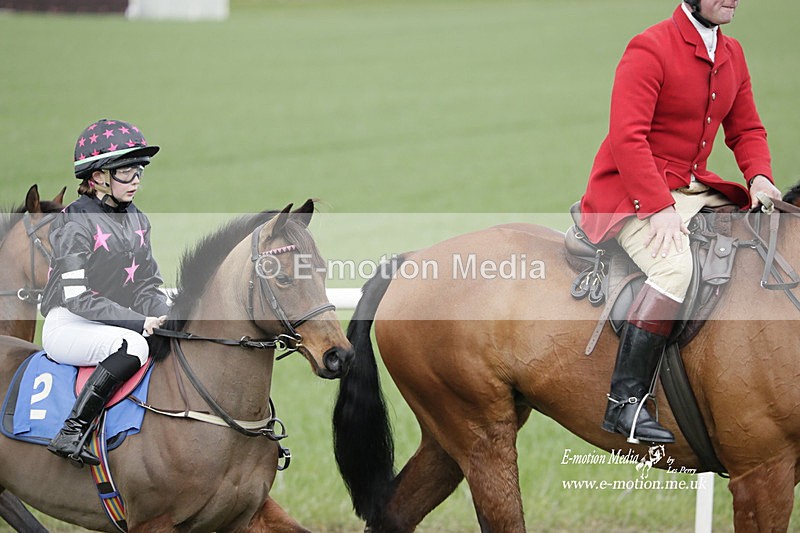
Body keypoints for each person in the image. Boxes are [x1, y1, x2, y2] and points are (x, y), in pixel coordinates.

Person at [580, 0, 783, 443]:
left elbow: (746, 129)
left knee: (756, 243)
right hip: (630, 193)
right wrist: (657, 206)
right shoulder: (650, 47)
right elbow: (626, 137)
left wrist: (760, 177)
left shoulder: (733, 54)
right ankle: (625, 403)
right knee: (675, 267)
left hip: (691, 188)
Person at [41, 118, 169, 466]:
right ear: (98, 177)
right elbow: (77, 298)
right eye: (127, 172)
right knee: (133, 345)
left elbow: (148, 284)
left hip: (110, 321)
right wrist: (141, 322)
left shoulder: (138, 219)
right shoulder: (73, 221)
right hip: (68, 324)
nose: (136, 181)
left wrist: (167, 314)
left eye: (139, 171)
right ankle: (72, 430)